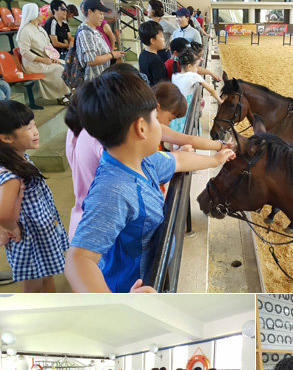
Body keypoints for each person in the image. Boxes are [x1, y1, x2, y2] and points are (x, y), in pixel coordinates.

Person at [64, 72, 235, 293]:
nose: (162, 127)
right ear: (141, 128)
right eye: (155, 117)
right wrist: (116, 305)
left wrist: (214, 160)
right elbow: (78, 260)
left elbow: (178, 159)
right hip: (127, 286)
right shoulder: (113, 190)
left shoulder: (142, 161)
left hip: (149, 273)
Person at [0, 101, 69, 292]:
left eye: (34, 125)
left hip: (41, 233)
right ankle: (37, 316)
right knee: (33, 286)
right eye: (28, 128)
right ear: (6, 137)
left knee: (47, 274)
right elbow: (4, 213)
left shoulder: (21, 158)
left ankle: (52, 308)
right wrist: (12, 228)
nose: (36, 131)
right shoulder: (11, 175)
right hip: (29, 237)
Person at [16, 3, 70, 107]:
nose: (43, 14)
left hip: (45, 60)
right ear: (34, 14)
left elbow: (49, 46)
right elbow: (25, 53)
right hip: (32, 63)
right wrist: (43, 60)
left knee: (64, 63)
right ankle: (61, 96)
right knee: (58, 69)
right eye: (40, 12)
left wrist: (53, 58)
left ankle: (65, 92)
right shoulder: (25, 31)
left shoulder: (40, 29)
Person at [171, 48, 223, 133]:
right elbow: (211, 90)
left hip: (176, 107)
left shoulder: (174, 75)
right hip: (187, 109)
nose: (197, 69)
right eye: (196, 66)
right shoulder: (193, 76)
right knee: (187, 130)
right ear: (189, 66)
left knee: (176, 131)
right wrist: (219, 100)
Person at [76, 0, 124, 81]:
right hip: (93, 81)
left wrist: (111, 53)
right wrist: (111, 55)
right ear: (90, 12)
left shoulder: (93, 30)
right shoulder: (85, 32)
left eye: (103, 14)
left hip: (100, 77)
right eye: (100, 13)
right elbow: (91, 60)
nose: (103, 17)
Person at [138, 21, 168, 86]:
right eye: (161, 37)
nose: (164, 39)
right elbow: (161, 85)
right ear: (153, 40)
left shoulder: (142, 54)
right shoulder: (156, 60)